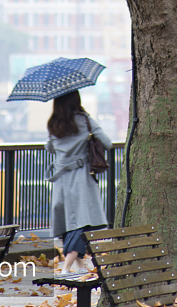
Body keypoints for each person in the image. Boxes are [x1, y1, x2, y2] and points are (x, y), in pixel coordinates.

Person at [46, 90, 112, 273]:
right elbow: (107, 143)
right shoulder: (85, 120)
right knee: (82, 222)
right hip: (80, 178)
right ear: (76, 100)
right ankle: (66, 267)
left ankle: (80, 265)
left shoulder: (53, 123)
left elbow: (49, 147)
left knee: (69, 221)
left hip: (60, 180)